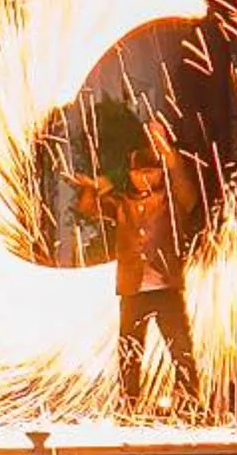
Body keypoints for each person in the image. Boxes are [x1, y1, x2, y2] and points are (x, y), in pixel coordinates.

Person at [73, 118, 200, 412]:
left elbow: (187, 192)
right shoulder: (122, 204)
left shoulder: (171, 201)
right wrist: (92, 189)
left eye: (150, 171)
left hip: (166, 287)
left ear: (158, 173)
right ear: (130, 175)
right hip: (133, 291)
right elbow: (89, 210)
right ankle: (128, 408)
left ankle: (193, 405)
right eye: (139, 172)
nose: (145, 177)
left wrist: (168, 153)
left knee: (180, 350)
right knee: (130, 355)